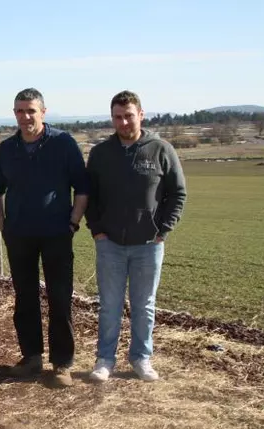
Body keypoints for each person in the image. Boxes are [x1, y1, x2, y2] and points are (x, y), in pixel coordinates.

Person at [0, 88, 89, 387]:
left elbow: (82, 186)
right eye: (19, 111)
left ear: (43, 112)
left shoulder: (63, 143)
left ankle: (62, 364)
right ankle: (31, 357)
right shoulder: (7, 148)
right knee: (24, 297)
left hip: (57, 233)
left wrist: (73, 222)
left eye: (31, 110)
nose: (25, 116)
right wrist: (2, 222)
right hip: (19, 235)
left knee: (60, 298)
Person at [85, 90, 186, 382]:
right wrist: (98, 230)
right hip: (110, 244)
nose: (124, 122)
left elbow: (177, 193)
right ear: (112, 119)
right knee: (109, 306)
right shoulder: (101, 153)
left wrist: (163, 230)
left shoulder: (161, 149)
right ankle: (105, 360)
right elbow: (90, 196)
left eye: (129, 115)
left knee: (144, 306)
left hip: (148, 245)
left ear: (141, 115)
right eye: (118, 117)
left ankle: (141, 358)